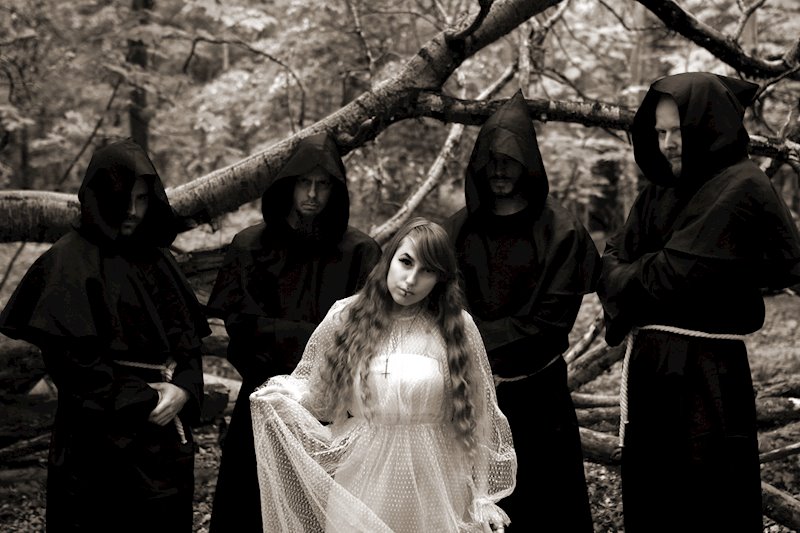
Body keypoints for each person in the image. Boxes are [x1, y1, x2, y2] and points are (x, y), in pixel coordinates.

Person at [597, 72, 800, 533]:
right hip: (651, 370)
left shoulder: (742, 185)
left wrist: (631, 275)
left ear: (707, 125)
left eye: (678, 131)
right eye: (660, 133)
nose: (668, 145)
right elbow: (608, 262)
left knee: (709, 500)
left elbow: (671, 275)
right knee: (654, 499)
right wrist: (634, 275)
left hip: (706, 374)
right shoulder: (660, 189)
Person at [249, 217, 517, 533]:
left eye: (427, 271)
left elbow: (481, 417)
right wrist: (288, 398)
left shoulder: (457, 326)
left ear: (440, 278)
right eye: (406, 262)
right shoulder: (346, 317)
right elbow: (322, 404)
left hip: (436, 481)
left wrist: (483, 495)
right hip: (363, 478)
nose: (411, 279)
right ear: (389, 259)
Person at [0, 138, 211, 532]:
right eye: (122, 198)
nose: (133, 211)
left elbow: (189, 345)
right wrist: (149, 398)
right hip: (95, 450)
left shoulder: (158, 259)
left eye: (142, 199)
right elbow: (75, 368)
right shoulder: (66, 263)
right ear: (99, 195)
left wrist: (184, 389)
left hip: (162, 447)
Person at [207, 131, 381, 533]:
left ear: (336, 190)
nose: (313, 195)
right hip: (263, 395)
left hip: (331, 408)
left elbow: (364, 332)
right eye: (305, 182)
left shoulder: (360, 252)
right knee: (247, 506)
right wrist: (305, 346)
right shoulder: (249, 245)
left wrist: (314, 376)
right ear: (288, 184)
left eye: (323, 185)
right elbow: (241, 327)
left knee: (318, 509)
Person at [445, 90, 600, 532]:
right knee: (478, 508)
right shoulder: (457, 230)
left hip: (540, 394)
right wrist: (475, 364)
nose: (499, 170)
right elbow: (446, 308)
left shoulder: (562, 232)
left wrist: (482, 348)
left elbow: (549, 323)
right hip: (470, 395)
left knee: (549, 507)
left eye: (510, 160)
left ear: (528, 162)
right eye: (491, 160)